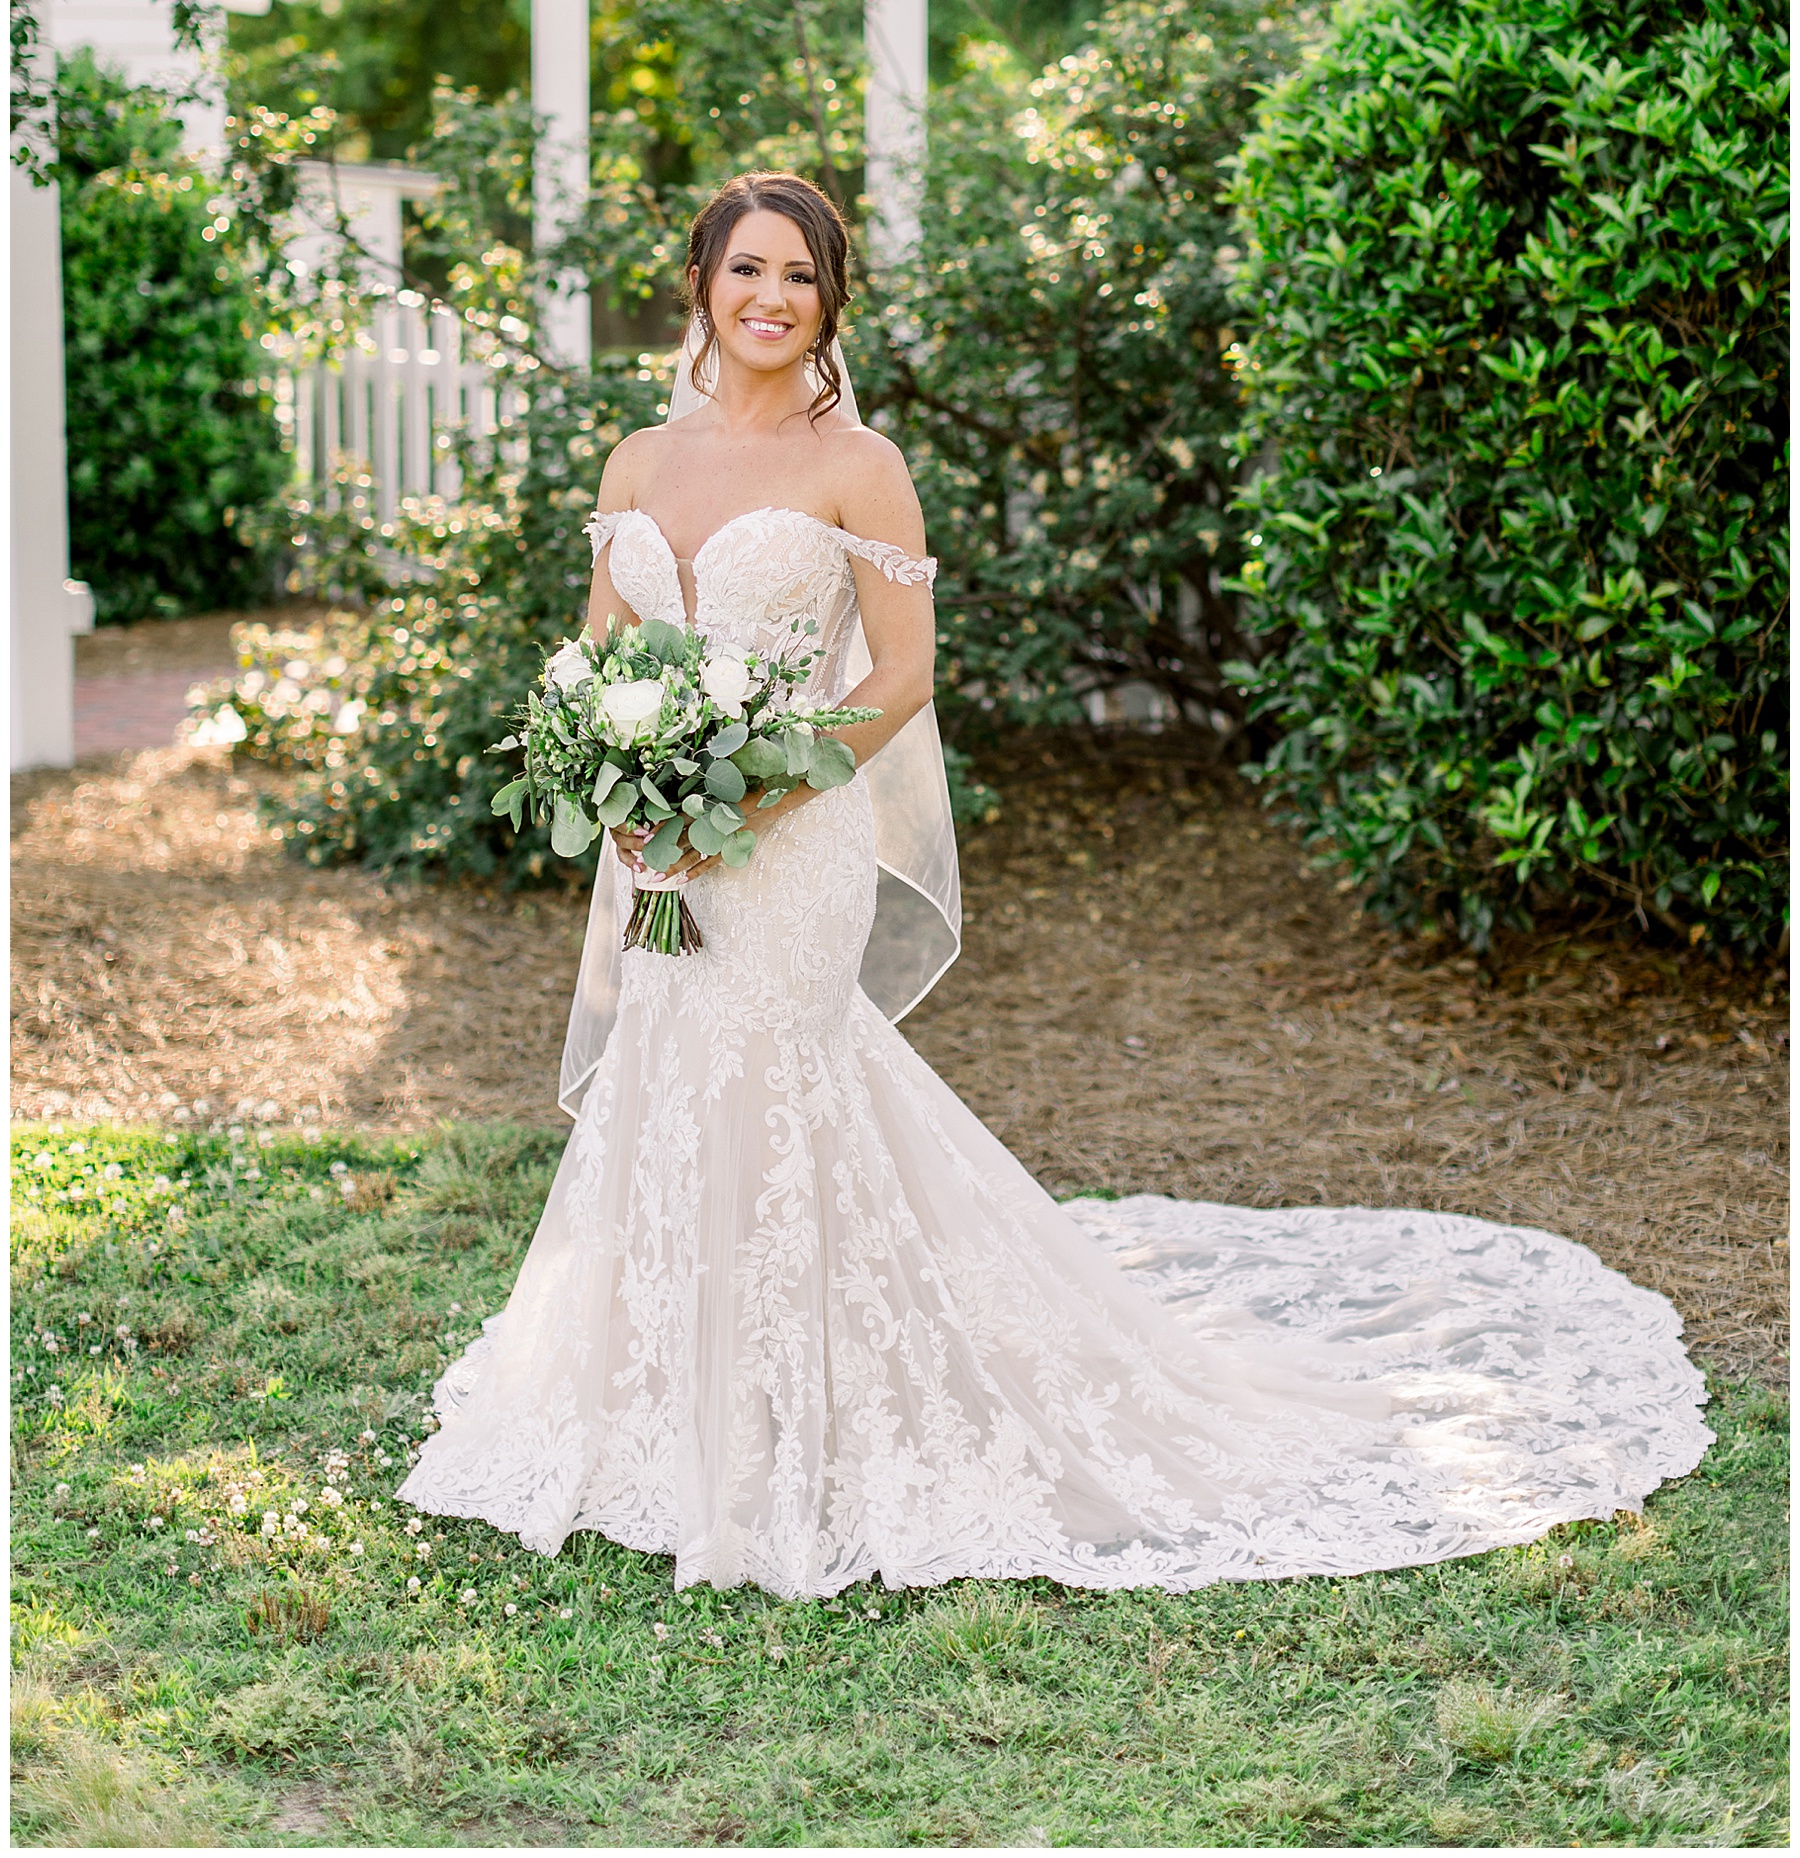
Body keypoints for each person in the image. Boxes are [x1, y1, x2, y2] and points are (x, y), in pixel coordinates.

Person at [400, 169, 1710, 1599]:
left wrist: (757, 792)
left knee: (777, 1075)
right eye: (747, 270)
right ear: (700, 283)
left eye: (802, 276)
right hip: (661, 842)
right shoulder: (641, 459)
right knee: (674, 1074)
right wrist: (622, 787)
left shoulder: (861, 464)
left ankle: (811, 1429)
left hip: (794, 837)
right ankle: (669, 1412)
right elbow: (595, 652)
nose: (772, 298)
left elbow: (903, 676)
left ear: (831, 300)